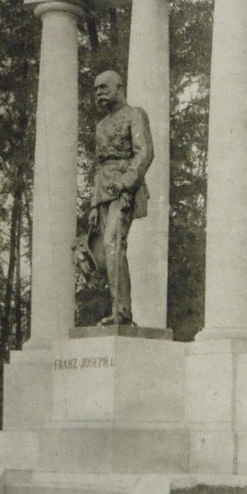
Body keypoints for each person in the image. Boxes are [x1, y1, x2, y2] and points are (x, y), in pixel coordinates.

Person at [88, 70, 154, 326]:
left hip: (125, 190)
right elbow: (99, 164)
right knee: (105, 253)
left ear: (119, 87)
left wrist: (126, 184)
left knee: (113, 244)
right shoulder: (100, 126)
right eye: (95, 90)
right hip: (103, 192)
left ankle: (122, 313)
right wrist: (94, 203)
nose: (99, 94)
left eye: (103, 88)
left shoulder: (135, 115)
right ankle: (119, 309)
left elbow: (145, 153)